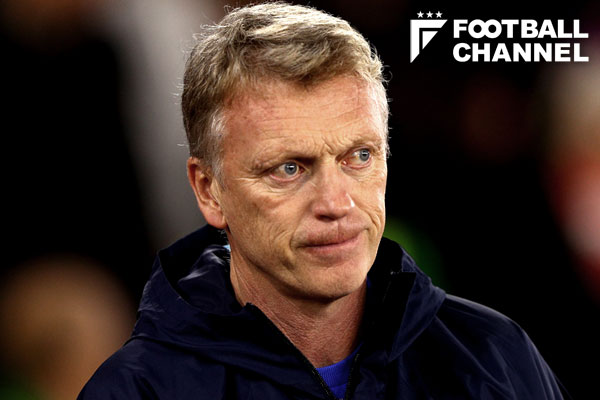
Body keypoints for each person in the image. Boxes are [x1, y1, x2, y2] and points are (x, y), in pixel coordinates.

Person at [78, 3, 567, 399]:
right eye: (289, 168)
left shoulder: (496, 358)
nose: (336, 203)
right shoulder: (135, 391)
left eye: (359, 156)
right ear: (209, 190)